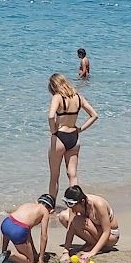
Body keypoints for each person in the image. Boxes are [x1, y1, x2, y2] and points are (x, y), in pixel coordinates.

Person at [47, 72, 99, 201]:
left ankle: (51, 205)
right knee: (73, 175)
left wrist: (53, 131)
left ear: (54, 86)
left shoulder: (58, 97)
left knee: (54, 175)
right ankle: (74, 204)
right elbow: (94, 115)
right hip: (74, 138)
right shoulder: (78, 97)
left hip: (60, 136)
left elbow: (50, 116)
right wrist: (80, 129)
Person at [59, 185, 120, 263]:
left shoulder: (98, 205)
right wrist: (66, 252)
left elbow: (106, 231)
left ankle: (97, 246)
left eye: (73, 206)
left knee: (77, 220)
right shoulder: (76, 205)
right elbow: (71, 228)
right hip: (97, 231)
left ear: (82, 201)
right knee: (63, 216)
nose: (72, 209)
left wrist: (92, 252)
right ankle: (93, 243)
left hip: (111, 236)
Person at [0, 195, 55, 263]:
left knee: (9, 232)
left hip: (6, 222)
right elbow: (44, 236)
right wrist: (41, 259)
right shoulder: (45, 212)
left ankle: (2, 252)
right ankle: (9, 255)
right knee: (29, 261)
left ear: (37, 201)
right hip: (18, 230)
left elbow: (27, 231)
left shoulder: (28, 204)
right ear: (51, 210)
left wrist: (34, 252)